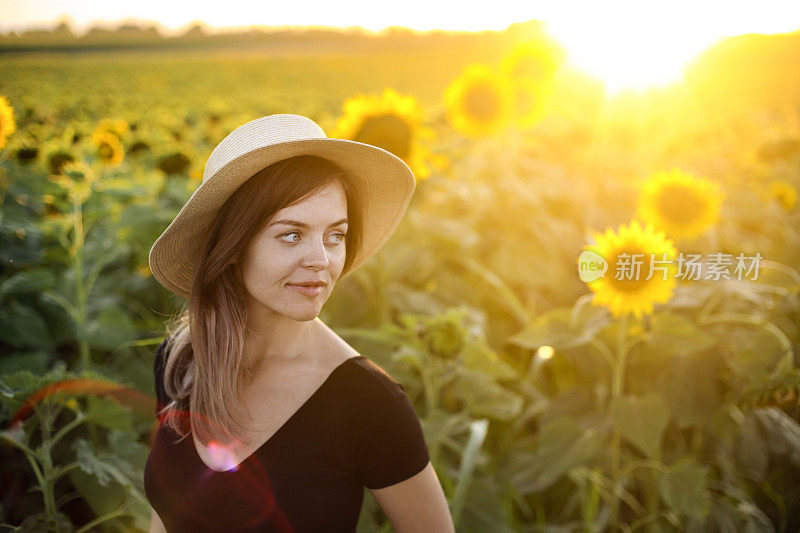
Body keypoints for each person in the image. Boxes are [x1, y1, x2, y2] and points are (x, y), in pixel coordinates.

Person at [143, 114, 455, 532]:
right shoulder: (181, 359)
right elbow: (167, 513)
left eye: (335, 235)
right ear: (232, 247)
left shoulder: (369, 403)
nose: (321, 261)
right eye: (291, 234)